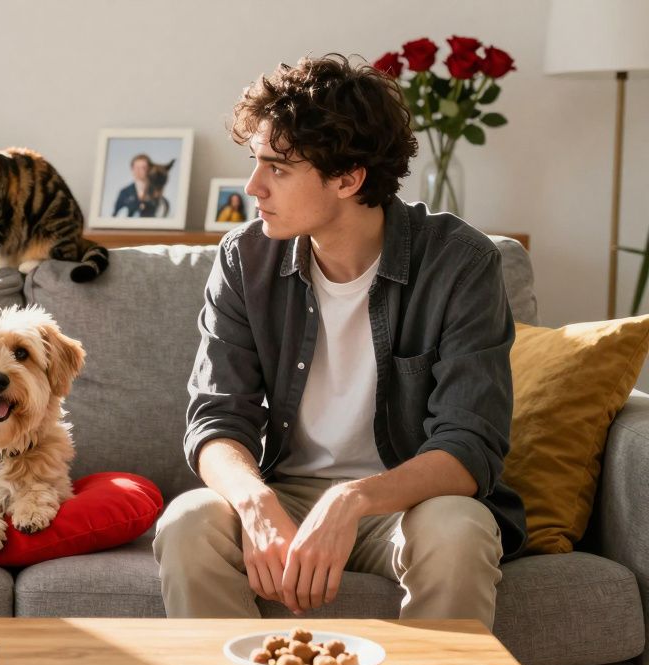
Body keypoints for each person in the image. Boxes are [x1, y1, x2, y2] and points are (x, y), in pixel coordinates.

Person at [153, 55, 525, 628]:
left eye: (277, 168)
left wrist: (351, 500)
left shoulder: (460, 262)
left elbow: (469, 444)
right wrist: (256, 503)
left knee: (458, 528)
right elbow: (216, 421)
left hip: (407, 500)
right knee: (188, 524)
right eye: (255, 163)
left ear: (349, 178)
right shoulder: (243, 259)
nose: (253, 187)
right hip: (284, 491)